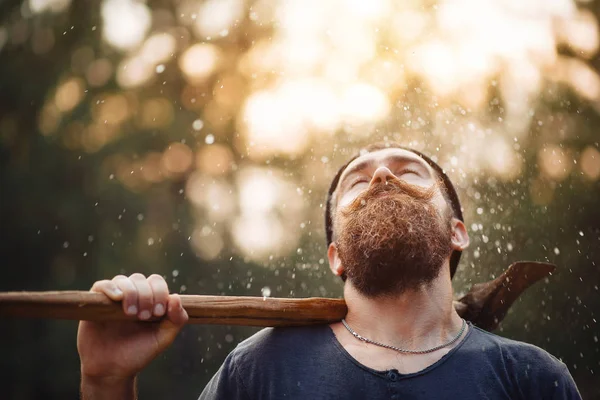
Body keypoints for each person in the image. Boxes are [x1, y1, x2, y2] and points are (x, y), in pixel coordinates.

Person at [78, 143, 581, 399]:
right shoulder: (258, 371)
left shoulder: (532, 379)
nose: (382, 175)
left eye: (409, 172)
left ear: (458, 232)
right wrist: (105, 383)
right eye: (355, 183)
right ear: (336, 256)